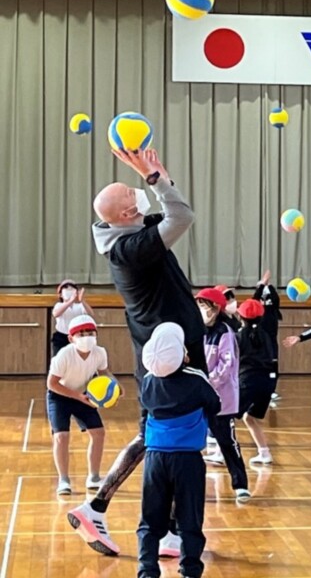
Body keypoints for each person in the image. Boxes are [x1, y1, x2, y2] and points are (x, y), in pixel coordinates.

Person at [68, 147, 207, 557]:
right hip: (168, 360)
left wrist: (155, 175)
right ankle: (153, 525)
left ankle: (117, 513)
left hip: (166, 352)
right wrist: (152, 178)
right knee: (172, 442)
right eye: (132, 195)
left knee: (158, 438)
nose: (138, 194)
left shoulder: (128, 231)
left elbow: (171, 211)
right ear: (126, 216)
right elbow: (182, 218)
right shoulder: (131, 249)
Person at [138, 323, 222, 578]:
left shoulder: (148, 381)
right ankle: (190, 570)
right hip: (187, 458)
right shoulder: (195, 379)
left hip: (154, 458)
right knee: (189, 518)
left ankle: (147, 571)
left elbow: (145, 413)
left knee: (150, 520)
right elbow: (215, 405)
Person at [46, 315, 116, 496]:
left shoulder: (100, 352)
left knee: (98, 433)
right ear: (71, 338)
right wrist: (77, 396)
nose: (86, 337)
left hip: (83, 396)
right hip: (59, 396)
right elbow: (52, 384)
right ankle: (64, 480)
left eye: (90, 332)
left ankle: (93, 477)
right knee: (61, 436)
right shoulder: (64, 355)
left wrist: (115, 387)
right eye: (81, 334)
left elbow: (104, 373)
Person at [196, 288, 250, 502]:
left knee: (227, 442)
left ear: (216, 308)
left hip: (221, 399)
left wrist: (208, 383)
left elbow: (227, 365)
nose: (201, 310)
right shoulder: (195, 330)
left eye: (204, 305)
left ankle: (240, 485)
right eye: (198, 305)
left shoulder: (225, 332)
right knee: (192, 442)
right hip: (197, 397)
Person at [236, 299, 276, 465]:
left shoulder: (239, 336)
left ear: (241, 316)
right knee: (250, 418)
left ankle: (220, 452)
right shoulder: (265, 335)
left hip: (248, 381)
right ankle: (264, 453)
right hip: (267, 383)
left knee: (225, 417)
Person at [252, 270, 282, 401]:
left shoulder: (272, 302)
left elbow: (276, 300)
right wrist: (261, 285)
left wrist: (269, 286)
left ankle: (272, 390)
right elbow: (253, 300)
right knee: (258, 365)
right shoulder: (256, 302)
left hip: (271, 338)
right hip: (258, 340)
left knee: (273, 365)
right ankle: (257, 390)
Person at [51, 280, 95, 357]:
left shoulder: (79, 306)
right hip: (61, 337)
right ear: (60, 294)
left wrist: (82, 301)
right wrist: (70, 302)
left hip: (77, 337)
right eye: (66, 289)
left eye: (72, 289)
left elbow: (91, 314)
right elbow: (56, 314)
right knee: (59, 358)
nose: (69, 291)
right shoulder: (59, 305)